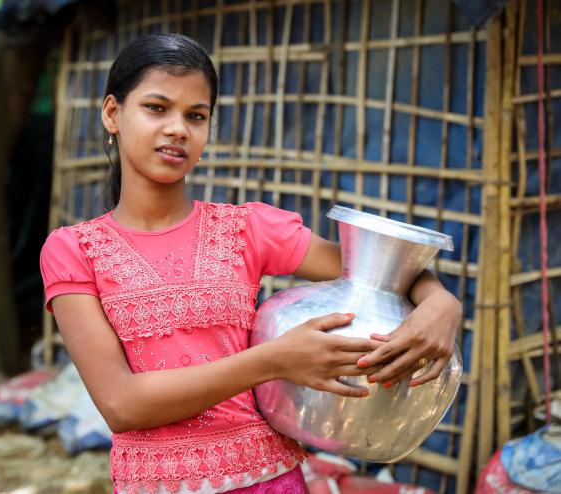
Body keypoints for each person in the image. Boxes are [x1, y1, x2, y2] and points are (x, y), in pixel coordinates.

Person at [39, 33, 462, 494]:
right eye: (157, 108)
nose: (178, 128)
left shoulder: (247, 229)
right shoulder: (74, 251)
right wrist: (273, 361)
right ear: (112, 114)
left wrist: (441, 304)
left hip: (270, 481)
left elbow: (383, 272)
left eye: (196, 116)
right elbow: (122, 404)